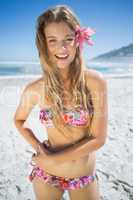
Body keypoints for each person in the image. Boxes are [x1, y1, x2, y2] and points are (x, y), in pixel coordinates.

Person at [14, 4, 108, 200]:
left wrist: (53, 158)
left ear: (78, 40)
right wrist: (38, 147)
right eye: (52, 41)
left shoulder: (94, 82)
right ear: (44, 45)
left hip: (82, 177)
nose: (62, 48)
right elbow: (19, 120)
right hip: (46, 176)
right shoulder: (35, 89)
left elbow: (98, 139)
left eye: (68, 39)